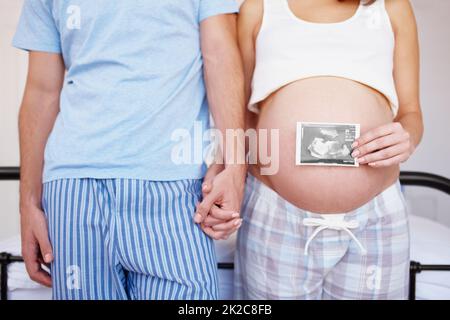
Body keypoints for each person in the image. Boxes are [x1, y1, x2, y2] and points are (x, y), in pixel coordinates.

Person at [14, 0, 246, 300]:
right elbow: (41, 91)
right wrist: (28, 205)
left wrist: (236, 168)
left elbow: (221, 58)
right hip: (74, 188)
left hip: (176, 189)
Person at [233, 0, 423, 299]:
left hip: (375, 216)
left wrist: (408, 136)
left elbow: (411, 112)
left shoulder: (391, 7)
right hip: (276, 211)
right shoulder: (258, 8)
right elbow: (239, 115)